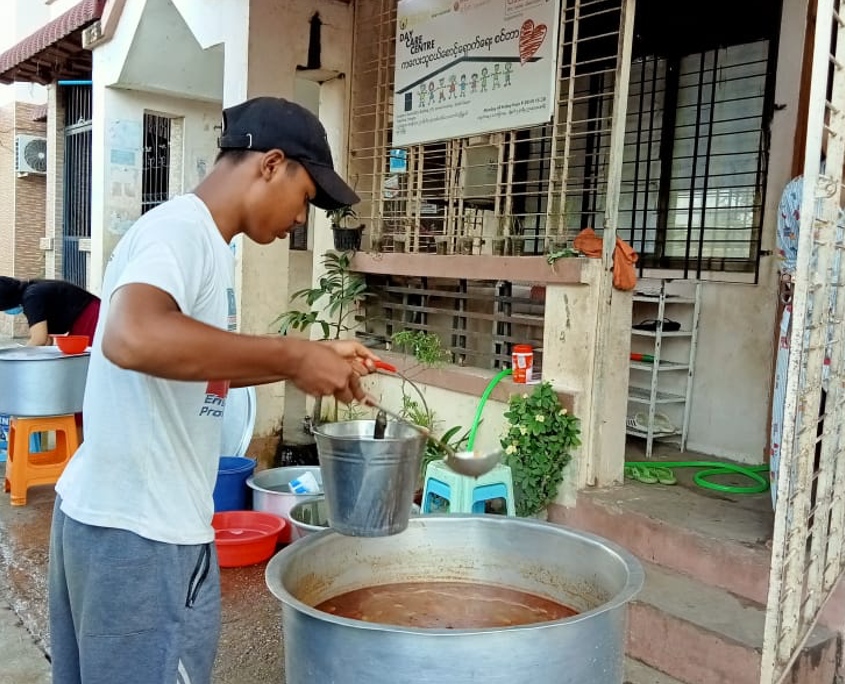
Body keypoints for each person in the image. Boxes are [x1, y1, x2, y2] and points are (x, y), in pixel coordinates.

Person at [48, 96, 380, 684]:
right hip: (141, 539)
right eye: (306, 198)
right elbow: (131, 336)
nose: (302, 220)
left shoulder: (197, 240)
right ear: (271, 164)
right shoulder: (182, 232)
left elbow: (186, 360)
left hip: (117, 523)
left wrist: (306, 359)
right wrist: (291, 354)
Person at [0, 276, 100, 345]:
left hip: (90, 317)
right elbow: (47, 340)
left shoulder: (32, 297)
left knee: (88, 363)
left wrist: (20, 358)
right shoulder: (30, 293)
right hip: (84, 317)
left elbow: (39, 339)